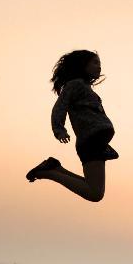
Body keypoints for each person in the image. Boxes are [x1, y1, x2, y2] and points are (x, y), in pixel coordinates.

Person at [26, 50, 117, 202]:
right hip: (90, 141)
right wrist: (59, 130)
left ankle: (55, 169)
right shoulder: (75, 85)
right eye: (95, 63)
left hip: (97, 142)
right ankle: (50, 173)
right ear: (83, 65)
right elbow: (59, 107)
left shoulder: (86, 88)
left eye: (100, 64)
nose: (99, 67)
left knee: (94, 189)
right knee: (95, 194)